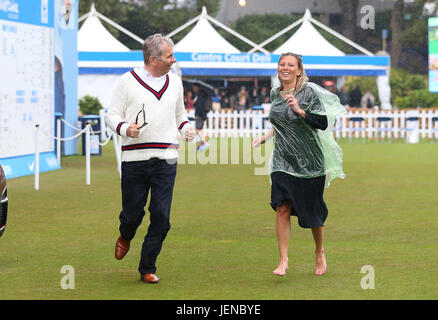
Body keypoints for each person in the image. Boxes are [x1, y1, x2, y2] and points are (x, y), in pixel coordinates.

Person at [105, 34, 196, 284]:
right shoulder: (127, 81)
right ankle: (125, 235)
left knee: (161, 216)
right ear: (153, 59)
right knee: (133, 214)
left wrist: (187, 128)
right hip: (134, 159)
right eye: (169, 56)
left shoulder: (175, 82)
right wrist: (125, 128)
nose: (173, 60)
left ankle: (147, 267)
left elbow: (180, 115)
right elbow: (111, 115)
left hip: (166, 158)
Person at [252, 53, 345, 277]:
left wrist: (300, 110)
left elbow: (321, 123)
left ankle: (319, 250)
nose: (285, 68)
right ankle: (283, 260)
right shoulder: (275, 93)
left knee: (313, 213)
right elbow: (282, 124)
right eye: (282, 64)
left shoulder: (309, 92)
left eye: (290, 65)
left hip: (310, 163)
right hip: (283, 162)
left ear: (299, 70)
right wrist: (264, 138)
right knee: (282, 208)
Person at [193, 83, 209, 151]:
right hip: (202, 114)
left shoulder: (200, 95)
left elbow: (199, 106)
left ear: (197, 87)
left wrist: (197, 114)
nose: (194, 89)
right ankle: (202, 144)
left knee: (197, 129)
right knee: (200, 129)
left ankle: (204, 142)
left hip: (200, 114)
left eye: (195, 87)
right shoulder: (201, 95)